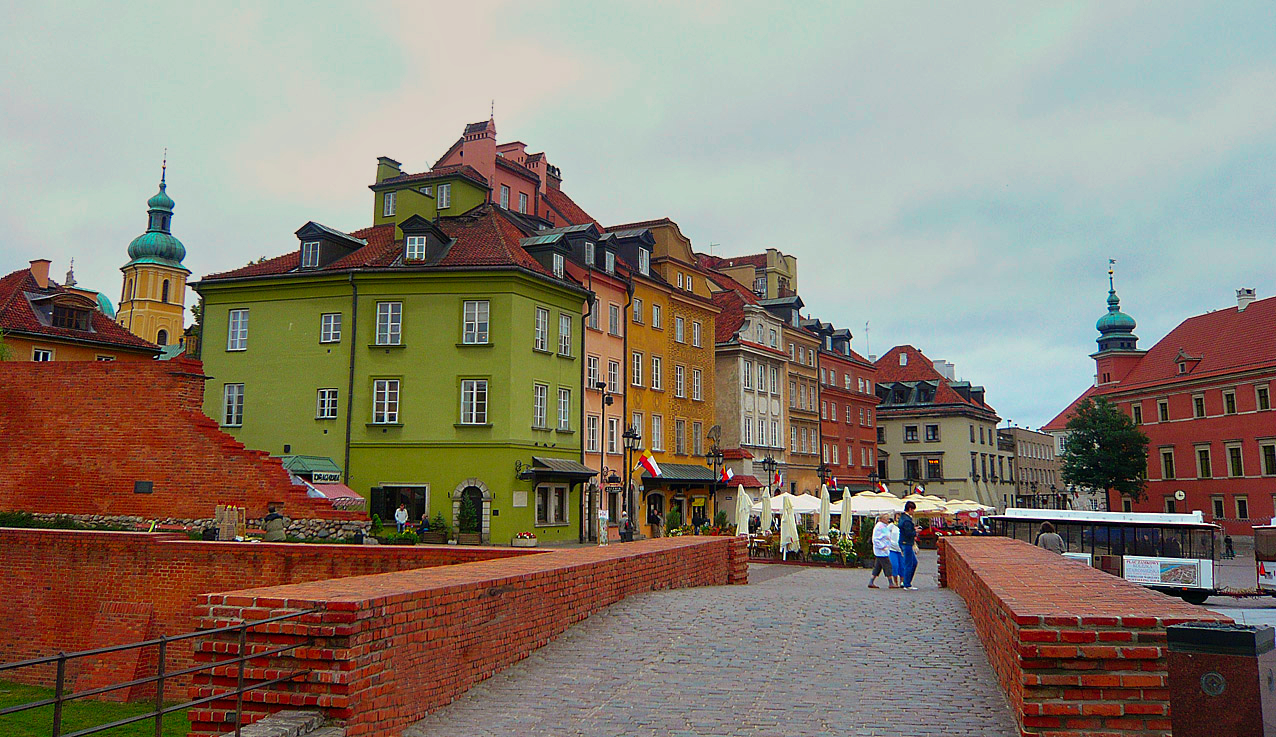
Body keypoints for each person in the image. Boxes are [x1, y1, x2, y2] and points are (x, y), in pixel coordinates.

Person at [868, 513, 894, 588]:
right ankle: (890, 582)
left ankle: (871, 581)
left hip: (883, 550)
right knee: (887, 565)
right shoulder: (879, 527)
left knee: (878, 567)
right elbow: (876, 539)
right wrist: (882, 546)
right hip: (881, 550)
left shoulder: (884, 526)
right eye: (886, 518)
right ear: (882, 519)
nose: (887, 520)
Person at [898, 501, 918, 590]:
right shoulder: (907, 520)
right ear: (910, 509)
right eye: (913, 510)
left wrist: (913, 529)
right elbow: (908, 533)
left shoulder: (902, 518)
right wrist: (916, 531)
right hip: (907, 543)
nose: (913, 512)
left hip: (903, 542)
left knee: (914, 562)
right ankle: (906, 584)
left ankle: (907, 582)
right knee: (909, 563)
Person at [887, 513, 904, 589]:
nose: (898, 520)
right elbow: (884, 532)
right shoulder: (891, 526)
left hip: (901, 549)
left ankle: (902, 582)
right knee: (894, 565)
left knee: (902, 566)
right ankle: (895, 582)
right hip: (892, 549)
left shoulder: (903, 526)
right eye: (897, 518)